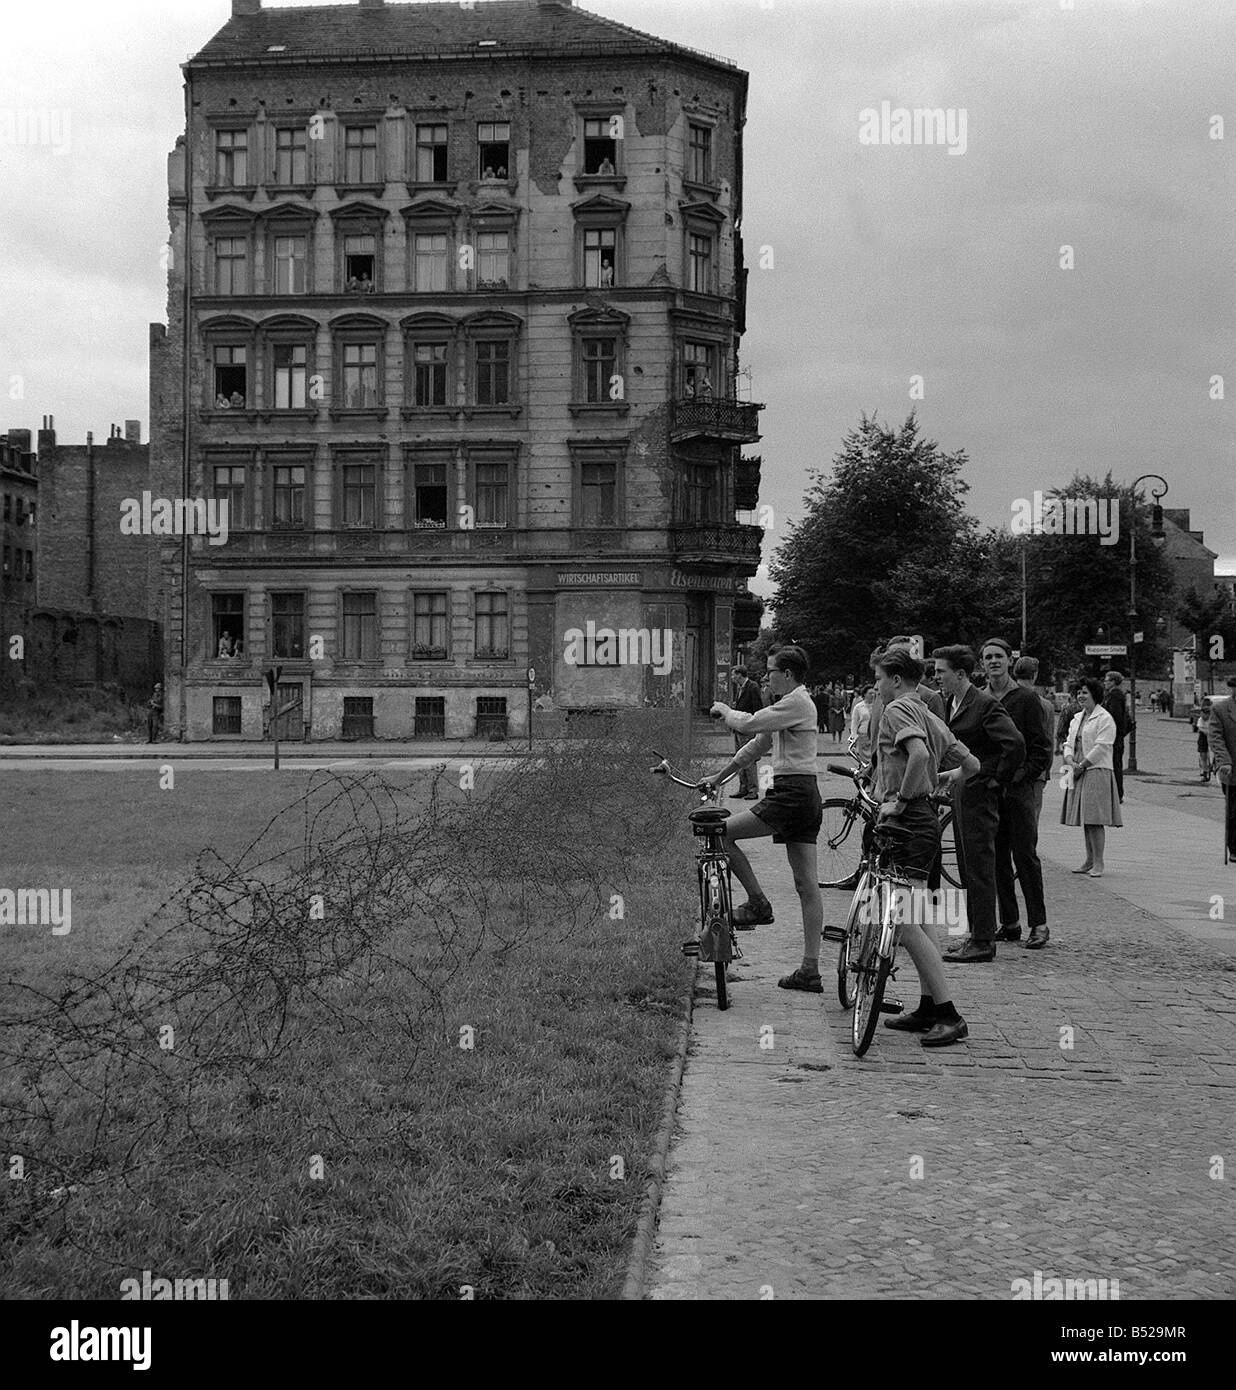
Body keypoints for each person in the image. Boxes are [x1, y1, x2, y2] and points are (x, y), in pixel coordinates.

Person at [870, 646, 981, 1047]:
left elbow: (916, 753)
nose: (877, 686)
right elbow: (972, 767)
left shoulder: (898, 710)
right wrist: (941, 778)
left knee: (900, 920)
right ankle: (929, 1006)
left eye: (879, 679)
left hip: (908, 821)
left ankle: (950, 1014)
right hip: (926, 820)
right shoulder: (929, 713)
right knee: (919, 917)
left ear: (896, 679)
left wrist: (900, 798)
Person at [703, 645, 824, 992]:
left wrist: (726, 710)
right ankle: (810, 970)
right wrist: (719, 777)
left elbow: (750, 722)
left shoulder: (797, 702)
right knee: (806, 885)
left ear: (787, 674)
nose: (765, 677)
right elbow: (756, 746)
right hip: (805, 794)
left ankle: (757, 903)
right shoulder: (788, 707)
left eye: (770, 671)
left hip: (791, 793)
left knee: (720, 833)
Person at [934, 644, 1025, 962]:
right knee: (966, 867)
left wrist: (993, 781)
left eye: (941, 671)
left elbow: (1014, 745)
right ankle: (975, 934)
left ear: (960, 674)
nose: (936, 677)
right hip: (963, 793)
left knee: (980, 867)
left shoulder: (983, 704)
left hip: (979, 796)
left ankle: (984, 939)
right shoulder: (953, 702)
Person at [981, 640, 1053, 950]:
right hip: (990, 790)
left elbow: (1041, 749)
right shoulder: (981, 699)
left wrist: (1022, 776)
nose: (993, 662)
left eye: (998, 656)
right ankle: (1009, 922)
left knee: (1025, 857)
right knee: (997, 858)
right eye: (988, 657)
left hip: (1019, 790)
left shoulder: (1026, 699)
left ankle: (1039, 924)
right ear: (982, 663)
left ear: (1009, 661)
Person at [1062, 677, 1122, 874]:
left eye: (1085, 692)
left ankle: (1099, 862)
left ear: (1094, 695)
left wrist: (1082, 764)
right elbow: (1069, 742)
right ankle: (1088, 859)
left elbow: (1102, 746)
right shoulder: (1077, 718)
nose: (1081, 696)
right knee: (1086, 818)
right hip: (1078, 769)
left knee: (1095, 819)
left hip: (1096, 770)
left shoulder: (1105, 718)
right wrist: (1070, 760)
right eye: (1079, 692)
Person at [1208, 676, 1236, 858]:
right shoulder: (1220, 709)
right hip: (1232, 769)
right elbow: (1215, 738)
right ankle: (1234, 847)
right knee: (1234, 810)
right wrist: (1224, 761)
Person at [729, 666, 763, 800]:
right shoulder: (740, 688)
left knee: (749, 759)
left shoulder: (752, 687)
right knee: (740, 758)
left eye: (733, 675)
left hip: (748, 730)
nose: (732, 678)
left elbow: (757, 709)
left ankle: (753, 789)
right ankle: (743, 787)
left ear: (739, 675)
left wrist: (755, 727)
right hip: (740, 729)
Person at [1102, 670, 1130, 802]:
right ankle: (1116, 793)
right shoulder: (1114, 695)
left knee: (1114, 764)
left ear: (1113, 682)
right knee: (1114, 764)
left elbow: (1115, 716)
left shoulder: (1115, 696)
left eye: (1107, 680)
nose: (1105, 682)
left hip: (1113, 737)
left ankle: (1117, 794)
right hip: (1116, 736)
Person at [849, 684, 876, 763]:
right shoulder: (859, 707)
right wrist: (853, 736)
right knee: (863, 759)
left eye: (874, 693)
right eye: (870, 693)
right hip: (863, 736)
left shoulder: (878, 707)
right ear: (865, 694)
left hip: (874, 736)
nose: (872, 695)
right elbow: (854, 722)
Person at [1197, 698, 1213, 781]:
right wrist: (1206, 732)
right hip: (1204, 736)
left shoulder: (1213, 716)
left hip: (1211, 735)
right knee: (1203, 754)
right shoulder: (1201, 718)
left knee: (1211, 753)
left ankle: (1210, 767)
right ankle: (1205, 771)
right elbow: (1200, 728)